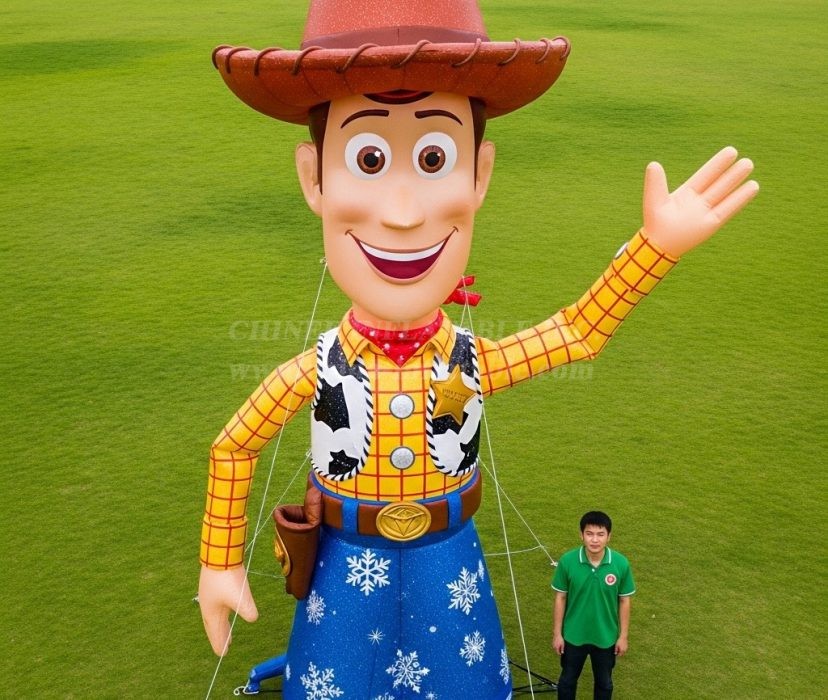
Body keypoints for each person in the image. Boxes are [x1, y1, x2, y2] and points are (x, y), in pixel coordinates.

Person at [198, 1, 758, 697]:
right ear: (315, 178)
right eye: (368, 159)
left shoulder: (468, 359)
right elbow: (233, 447)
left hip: (447, 558)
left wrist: (654, 249)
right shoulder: (320, 368)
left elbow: (579, 333)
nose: (404, 212)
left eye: (434, 158)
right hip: (345, 562)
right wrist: (220, 561)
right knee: (335, 681)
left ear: (479, 175)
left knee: (464, 680)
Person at [552, 511, 635, 699]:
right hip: (573, 635)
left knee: (604, 684)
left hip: (606, 637)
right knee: (567, 681)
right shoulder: (567, 561)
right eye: (589, 534)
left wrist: (623, 636)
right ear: (581, 535)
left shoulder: (621, 564)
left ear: (609, 536)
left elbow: (624, 600)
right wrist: (557, 634)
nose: (595, 540)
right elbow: (560, 598)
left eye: (600, 534)